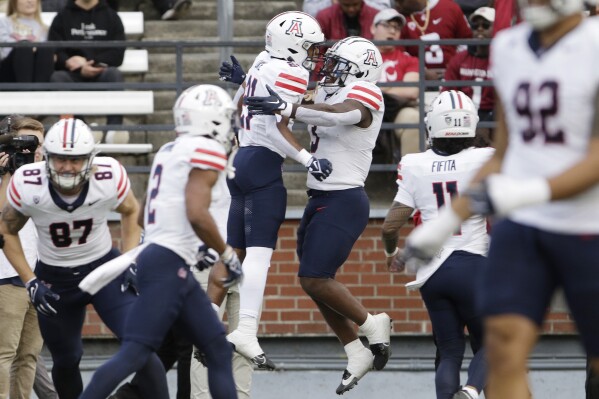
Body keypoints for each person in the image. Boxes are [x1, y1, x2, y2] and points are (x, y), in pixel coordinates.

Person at [399, 1, 599, 398]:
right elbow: (506, 151)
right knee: (503, 343)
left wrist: (529, 190)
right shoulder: (508, 47)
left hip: (586, 224)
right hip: (523, 225)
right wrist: (442, 223)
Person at [245, 36, 392, 395]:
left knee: (314, 279)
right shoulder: (328, 90)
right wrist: (244, 82)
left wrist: (290, 108)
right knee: (313, 281)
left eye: (339, 64)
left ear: (360, 68)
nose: (328, 70)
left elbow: (342, 113)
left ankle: (373, 325)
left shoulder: (366, 91)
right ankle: (354, 350)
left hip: (344, 197)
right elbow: (288, 101)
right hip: (320, 197)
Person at [78, 84, 242, 399]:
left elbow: (142, 218)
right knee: (136, 352)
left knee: (217, 349)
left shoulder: (169, 150)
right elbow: (196, 212)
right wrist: (225, 253)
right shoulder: (204, 149)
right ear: (211, 120)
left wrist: (189, 246)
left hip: (163, 258)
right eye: (225, 117)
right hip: (167, 263)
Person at [0, 117, 166, 399]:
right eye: (61, 159)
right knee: (67, 359)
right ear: (47, 157)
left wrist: (128, 259)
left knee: (141, 346)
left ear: (91, 159)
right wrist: (30, 280)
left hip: (103, 268)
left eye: (76, 159)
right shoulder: (28, 182)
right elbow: (6, 230)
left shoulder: (108, 174)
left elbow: (130, 210)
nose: (67, 167)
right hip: (55, 278)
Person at [217, 11, 331, 371]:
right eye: (310, 47)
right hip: (263, 162)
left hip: (240, 159)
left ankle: (205, 317)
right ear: (293, 44)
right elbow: (273, 129)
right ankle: (246, 330)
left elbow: (239, 107)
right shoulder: (293, 71)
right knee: (259, 255)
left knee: (233, 251)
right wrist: (307, 158)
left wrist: (246, 83)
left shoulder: (264, 61)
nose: (313, 54)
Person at [381, 91, 492, 399]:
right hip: (474, 263)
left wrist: (392, 252)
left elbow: (391, 225)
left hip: (433, 273)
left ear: (432, 125)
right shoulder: (485, 157)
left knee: (449, 350)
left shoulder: (415, 164)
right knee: (493, 342)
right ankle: (470, 392)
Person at [0, 115, 45, 399]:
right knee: (4, 352)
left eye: (37, 145)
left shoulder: (47, 174)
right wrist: (5, 175)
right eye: (26, 146)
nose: (33, 152)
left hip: (40, 275)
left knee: (29, 356)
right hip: (5, 274)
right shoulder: (2, 174)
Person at [48, 0, 129, 144]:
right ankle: (81, 129)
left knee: (114, 74)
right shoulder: (62, 16)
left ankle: (114, 130)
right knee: (57, 78)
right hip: (72, 74)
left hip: (100, 71)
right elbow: (54, 50)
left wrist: (89, 62)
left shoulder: (111, 16)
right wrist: (71, 63)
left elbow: (118, 53)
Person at [371, 8, 421, 159]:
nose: (392, 31)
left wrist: (376, 88)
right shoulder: (359, 54)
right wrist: (393, 88)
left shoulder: (409, 60)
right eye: (387, 26)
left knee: (412, 118)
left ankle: (408, 178)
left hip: (396, 110)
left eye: (397, 28)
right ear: (373, 28)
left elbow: (411, 92)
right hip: (364, 109)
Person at [442, 6, 495, 142]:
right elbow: (447, 93)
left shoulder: (501, 59)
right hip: (463, 114)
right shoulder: (460, 58)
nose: (480, 29)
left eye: (486, 25)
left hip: (492, 115)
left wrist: (488, 122)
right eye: (475, 26)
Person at [396, 0, 472, 79]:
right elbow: (399, 52)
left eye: (401, 1)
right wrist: (420, 70)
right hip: (416, 78)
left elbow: (466, 41)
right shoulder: (399, 17)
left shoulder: (450, 7)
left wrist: (455, 65)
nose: (397, 4)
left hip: (452, 76)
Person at [0, 0, 54, 83]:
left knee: (45, 49)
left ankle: (40, 91)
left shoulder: (45, 29)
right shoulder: (4, 22)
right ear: (14, 2)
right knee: (24, 48)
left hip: (37, 73)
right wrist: (30, 48)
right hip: (9, 71)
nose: (30, 1)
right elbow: (5, 51)